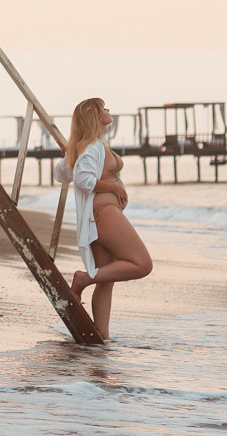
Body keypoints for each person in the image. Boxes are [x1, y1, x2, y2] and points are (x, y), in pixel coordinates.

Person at [54, 97, 152, 339]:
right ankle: (82, 278)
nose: (108, 110)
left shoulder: (89, 146)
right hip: (104, 212)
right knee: (142, 264)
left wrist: (69, 155)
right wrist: (114, 187)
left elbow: (62, 174)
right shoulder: (94, 146)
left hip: (100, 214)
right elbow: (82, 180)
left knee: (107, 278)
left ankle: (101, 334)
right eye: (103, 108)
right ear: (95, 116)